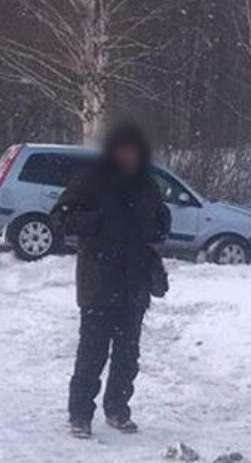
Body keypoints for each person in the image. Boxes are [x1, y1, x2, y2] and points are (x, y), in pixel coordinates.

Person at [53, 120, 171, 438]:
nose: (129, 156)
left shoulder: (147, 184)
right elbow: (61, 217)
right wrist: (95, 220)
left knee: (127, 355)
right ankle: (79, 415)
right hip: (99, 281)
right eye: (124, 149)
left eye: (135, 150)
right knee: (92, 353)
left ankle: (118, 410)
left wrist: (161, 225)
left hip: (134, 284)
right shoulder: (91, 179)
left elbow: (158, 224)